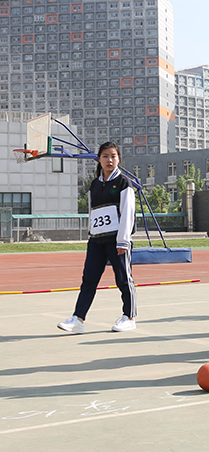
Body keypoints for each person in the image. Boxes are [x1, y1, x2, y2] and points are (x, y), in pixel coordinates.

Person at [57, 141, 137, 334]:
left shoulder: (124, 183)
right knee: (89, 279)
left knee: (123, 279)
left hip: (117, 240)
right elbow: (92, 211)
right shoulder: (94, 184)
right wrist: (91, 233)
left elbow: (128, 213)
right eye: (105, 156)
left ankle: (129, 317)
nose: (109, 160)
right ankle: (78, 319)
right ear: (99, 159)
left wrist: (123, 240)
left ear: (118, 159)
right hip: (96, 240)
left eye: (113, 156)